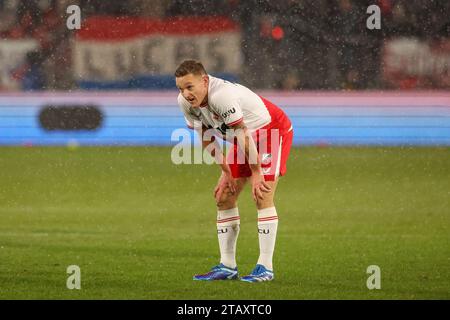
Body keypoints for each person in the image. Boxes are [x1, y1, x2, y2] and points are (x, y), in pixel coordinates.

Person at [175, 60, 293, 282]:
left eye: (190, 87)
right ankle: (228, 266)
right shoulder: (185, 102)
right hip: (244, 136)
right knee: (224, 196)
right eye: (181, 88)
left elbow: (242, 134)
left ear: (205, 81)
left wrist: (256, 173)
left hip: (270, 131)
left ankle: (265, 268)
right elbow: (205, 136)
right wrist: (226, 171)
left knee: (262, 193)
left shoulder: (222, 96)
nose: (186, 93)